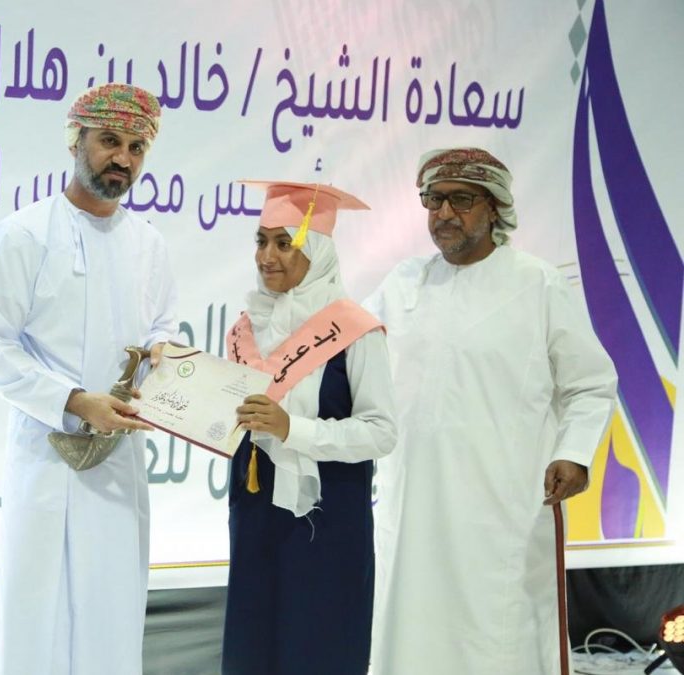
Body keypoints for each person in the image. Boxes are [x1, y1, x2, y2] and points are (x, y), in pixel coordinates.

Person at [365, 147, 618, 674]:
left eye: (461, 200)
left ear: (495, 208)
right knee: (409, 631)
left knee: (499, 637)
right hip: (413, 504)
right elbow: (346, 359)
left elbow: (590, 383)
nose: (444, 213)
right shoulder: (402, 284)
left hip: (503, 505)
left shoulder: (537, 283)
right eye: (434, 200)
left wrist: (574, 453)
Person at [0, 83, 177, 675]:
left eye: (136, 147)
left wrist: (165, 353)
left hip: (118, 464)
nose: (123, 159)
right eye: (110, 141)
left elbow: (162, 324)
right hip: (46, 457)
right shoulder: (24, 233)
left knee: (112, 615)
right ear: (75, 141)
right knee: (36, 619)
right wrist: (74, 401)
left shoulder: (149, 243)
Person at [222, 181, 397, 674]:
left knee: (319, 645)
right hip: (254, 509)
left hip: (327, 519)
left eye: (284, 243)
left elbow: (381, 431)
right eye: (261, 241)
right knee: (253, 646)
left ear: (316, 252)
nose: (267, 257)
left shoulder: (355, 330)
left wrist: (292, 429)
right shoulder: (246, 327)